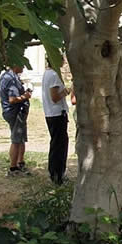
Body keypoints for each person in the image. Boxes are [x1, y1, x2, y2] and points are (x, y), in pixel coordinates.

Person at [0, 65, 32, 176]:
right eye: (21, 64)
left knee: (20, 139)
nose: (23, 66)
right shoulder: (10, 79)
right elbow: (12, 99)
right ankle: (13, 168)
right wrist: (25, 96)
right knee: (16, 140)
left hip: (17, 112)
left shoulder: (11, 76)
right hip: (15, 112)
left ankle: (20, 162)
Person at [41, 57, 70, 185]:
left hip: (51, 113)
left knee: (57, 143)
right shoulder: (54, 75)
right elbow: (55, 97)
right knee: (59, 145)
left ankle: (56, 173)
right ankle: (57, 174)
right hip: (57, 113)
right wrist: (67, 91)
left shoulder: (47, 73)